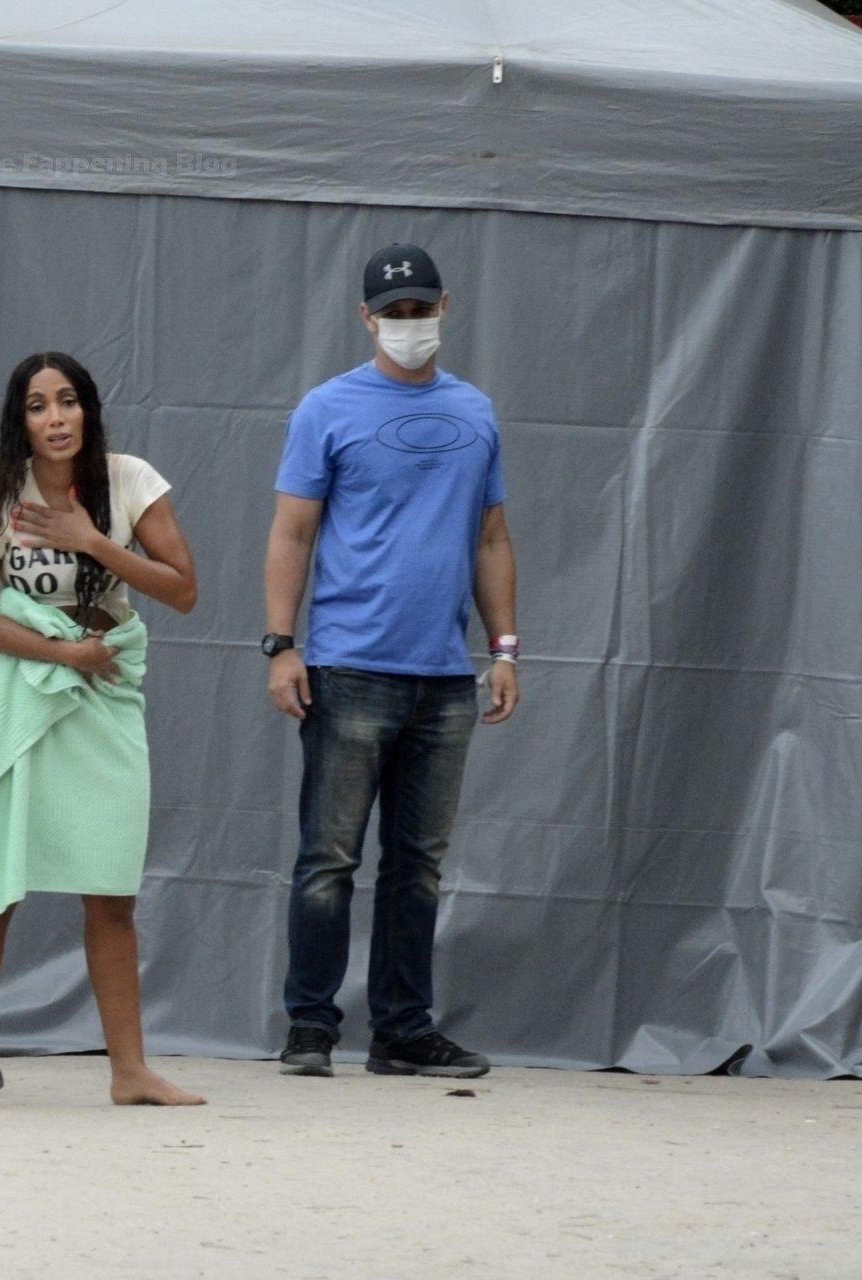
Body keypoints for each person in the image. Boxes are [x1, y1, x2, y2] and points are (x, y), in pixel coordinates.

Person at [264, 243, 518, 1080]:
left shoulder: (475, 412)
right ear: (367, 318)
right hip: (349, 667)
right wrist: (282, 645)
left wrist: (504, 649)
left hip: (444, 676)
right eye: (394, 313)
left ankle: (403, 1030)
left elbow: (491, 537)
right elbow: (292, 532)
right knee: (328, 858)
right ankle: (310, 1027)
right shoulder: (328, 409)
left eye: (421, 310)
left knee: (418, 867)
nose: (410, 325)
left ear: (446, 306)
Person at [0, 352, 204, 1110]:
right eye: (37, 406)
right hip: (19, 689)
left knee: (111, 891)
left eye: (67, 402)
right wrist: (62, 653)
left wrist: (93, 541)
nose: (55, 419)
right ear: (19, 421)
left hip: (105, 687)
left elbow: (183, 589)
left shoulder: (129, 481)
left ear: (88, 409)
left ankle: (130, 1072)